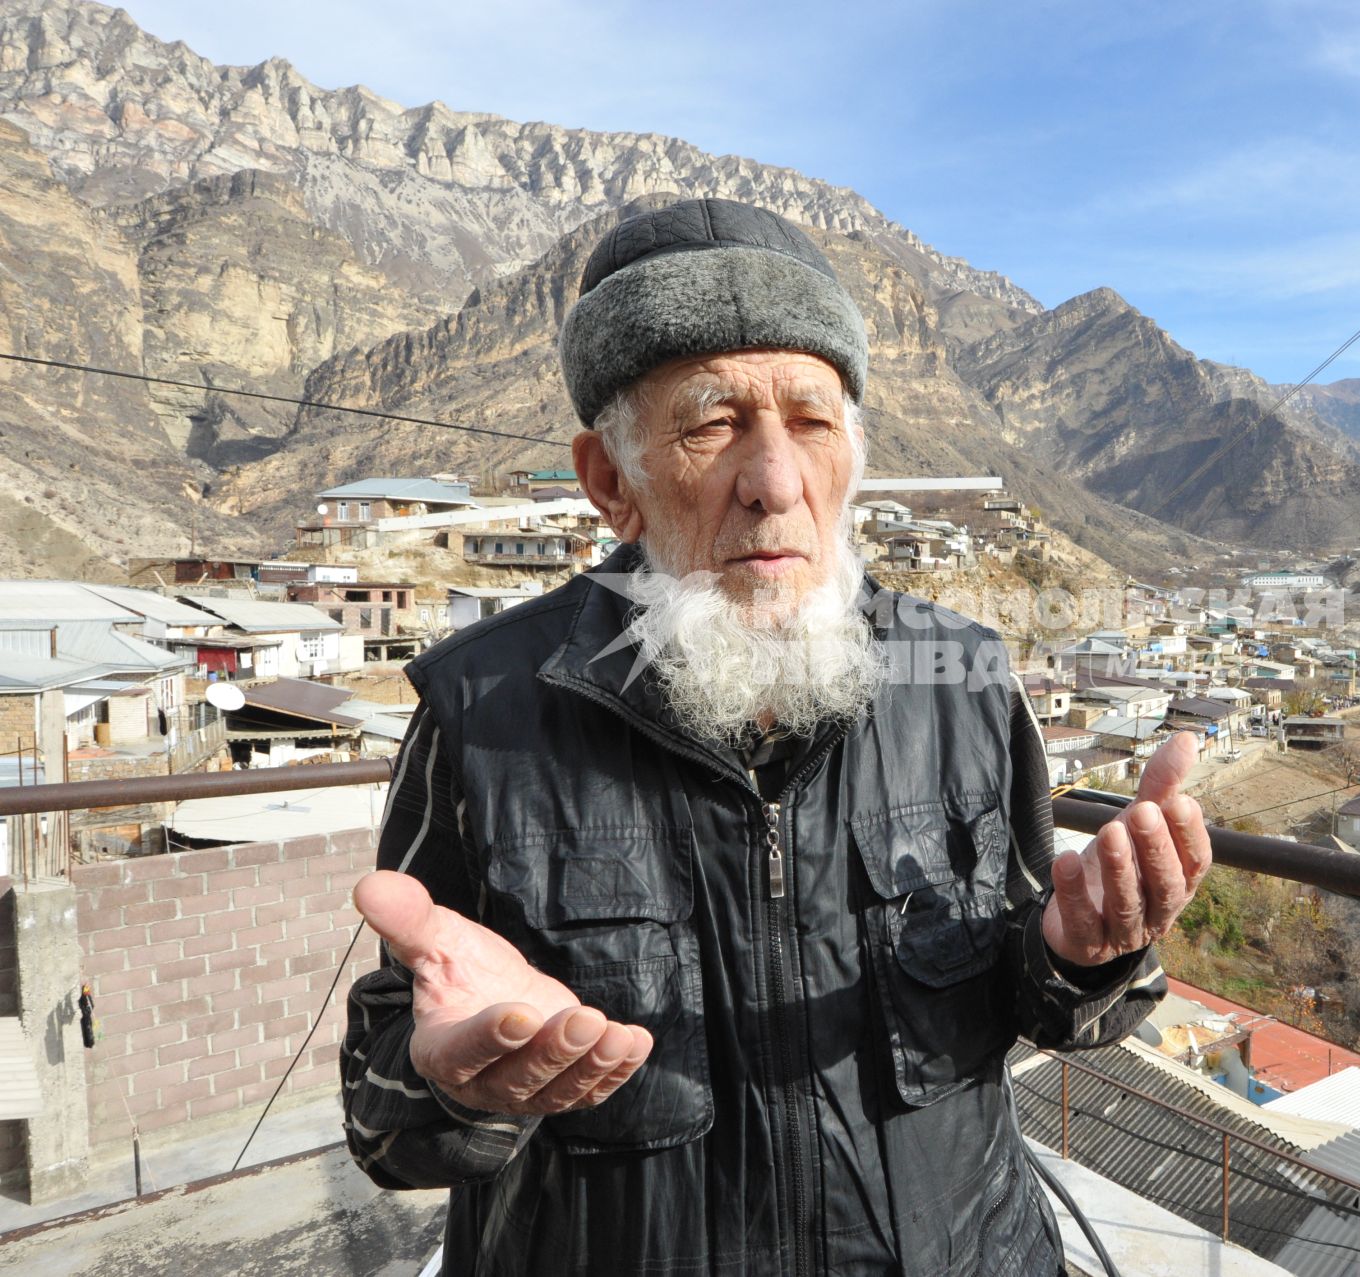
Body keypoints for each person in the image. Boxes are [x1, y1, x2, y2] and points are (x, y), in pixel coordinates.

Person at [340, 197, 1213, 1276]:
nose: (775, 483)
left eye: (811, 422)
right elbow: (380, 1119)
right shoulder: (484, 710)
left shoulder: (966, 679)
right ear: (611, 480)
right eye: (711, 425)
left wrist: (1084, 956)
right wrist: (452, 1086)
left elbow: (1053, 1006)